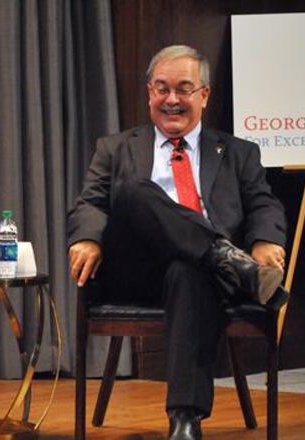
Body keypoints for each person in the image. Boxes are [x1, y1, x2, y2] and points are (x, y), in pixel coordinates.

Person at [66, 45, 287, 440]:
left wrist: (265, 241)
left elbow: (263, 204)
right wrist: (86, 239)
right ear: (149, 92)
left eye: (183, 89)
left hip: (197, 280)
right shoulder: (116, 148)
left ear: (204, 95)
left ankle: (185, 419)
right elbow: (90, 204)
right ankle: (229, 261)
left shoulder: (238, 153)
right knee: (133, 190)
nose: (171, 100)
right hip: (135, 273)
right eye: (162, 88)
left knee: (190, 268)